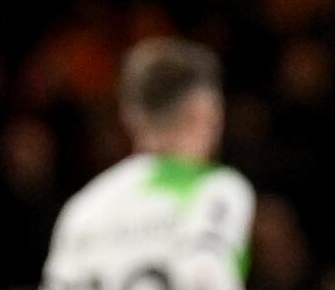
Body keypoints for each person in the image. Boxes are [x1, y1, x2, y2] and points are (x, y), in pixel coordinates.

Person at [42, 37, 254, 290]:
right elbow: (206, 277)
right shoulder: (215, 189)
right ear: (204, 111)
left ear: (131, 116)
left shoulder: (82, 208)